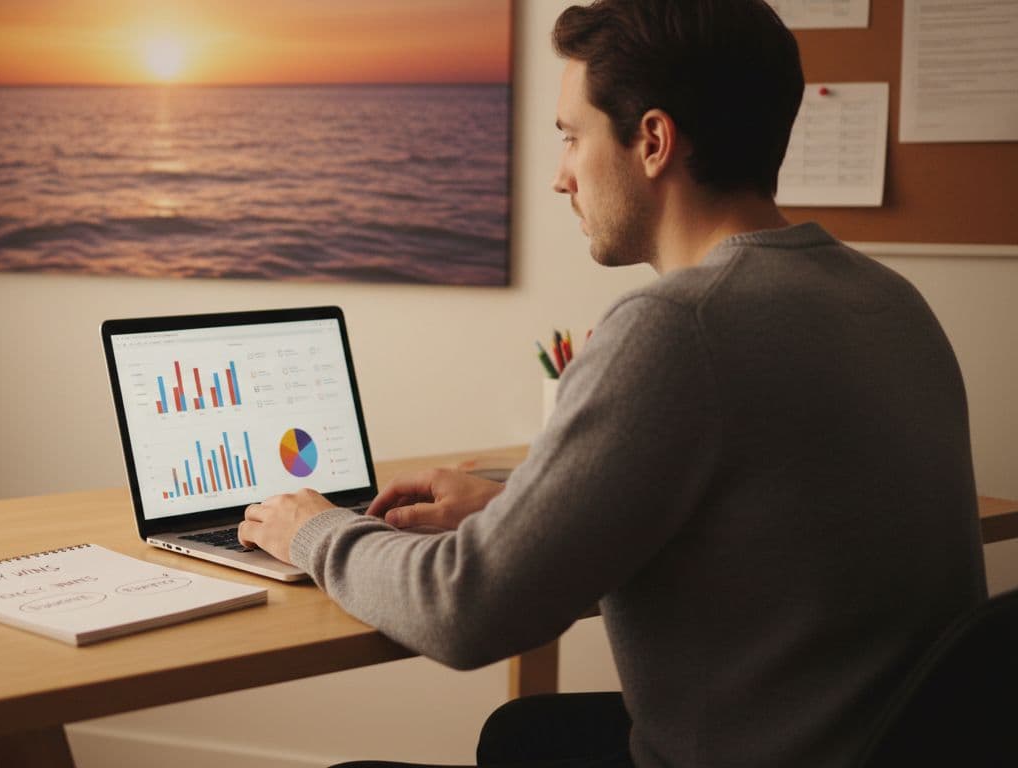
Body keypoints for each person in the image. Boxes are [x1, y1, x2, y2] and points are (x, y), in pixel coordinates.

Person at [238, 1, 986, 766]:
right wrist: (515, 513)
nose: (560, 176)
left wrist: (314, 531)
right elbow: (768, 549)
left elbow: (465, 613)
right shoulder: (890, 301)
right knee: (522, 735)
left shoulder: (679, 326)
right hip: (878, 741)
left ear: (653, 141)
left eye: (571, 136)